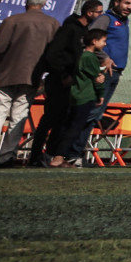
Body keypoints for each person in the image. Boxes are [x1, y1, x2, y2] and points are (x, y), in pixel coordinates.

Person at [29, 0, 105, 166]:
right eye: (99, 12)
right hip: (59, 81)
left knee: (63, 121)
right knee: (50, 119)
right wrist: (63, 74)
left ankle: (52, 155)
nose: (101, 15)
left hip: (72, 84)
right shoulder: (70, 29)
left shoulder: (85, 31)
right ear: (89, 12)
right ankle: (35, 157)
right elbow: (53, 54)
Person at [0, 0, 58, 167]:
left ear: (25, 3)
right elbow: (53, 54)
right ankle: (6, 157)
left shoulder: (12, 21)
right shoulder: (52, 24)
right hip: (32, 77)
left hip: (5, 75)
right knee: (18, 118)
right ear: (44, 4)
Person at [49, 28, 111, 167]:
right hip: (86, 96)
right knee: (75, 128)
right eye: (103, 41)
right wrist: (101, 93)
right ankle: (59, 157)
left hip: (75, 95)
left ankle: (58, 155)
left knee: (69, 125)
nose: (105, 44)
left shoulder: (81, 56)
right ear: (94, 41)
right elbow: (97, 79)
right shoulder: (91, 58)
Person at [94, 0, 131, 106]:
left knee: (98, 114)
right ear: (116, 3)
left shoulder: (124, 21)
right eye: (126, 3)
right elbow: (89, 40)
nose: (129, 7)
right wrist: (104, 58)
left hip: (116, 72)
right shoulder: (106, 19)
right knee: (93, 110)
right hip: (103, 71)